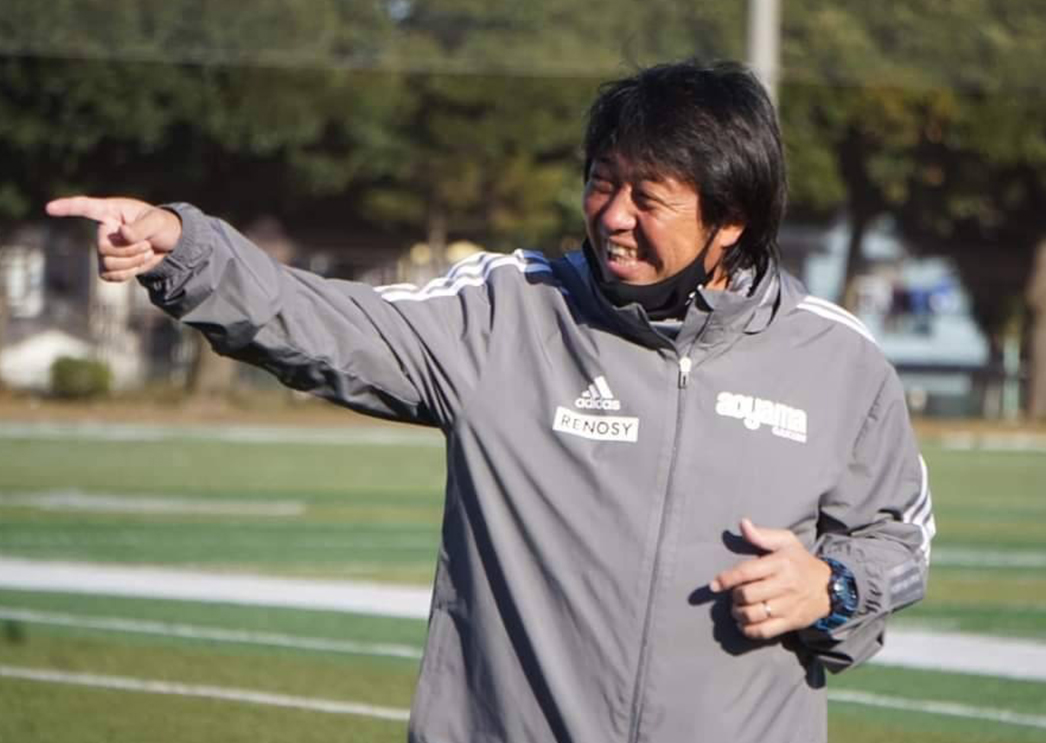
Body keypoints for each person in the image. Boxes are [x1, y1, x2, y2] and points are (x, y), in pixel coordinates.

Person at [47, 60, 934, 743]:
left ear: (729, 220)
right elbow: (329, 324)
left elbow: (901, 541)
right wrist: (185, 251)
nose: (612, 214)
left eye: (649, 197)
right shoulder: (509, 313)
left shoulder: (839, 361)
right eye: (603, 181)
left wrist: (835, 586)